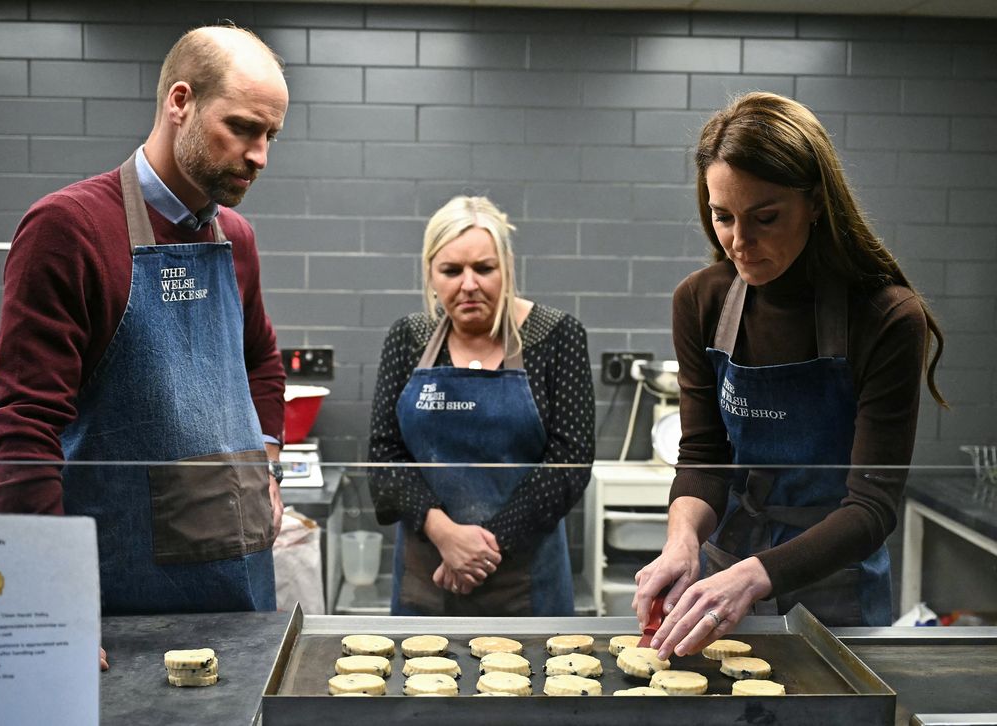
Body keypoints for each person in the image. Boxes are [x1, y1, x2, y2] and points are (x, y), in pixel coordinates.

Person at [0, 25, 289, 632]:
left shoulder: (238, 239)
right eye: (242, 128)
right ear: (181, 102)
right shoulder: (69, 229)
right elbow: (22, 427)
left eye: (270, 135)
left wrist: (268, 467)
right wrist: (51, 608)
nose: (259, 155)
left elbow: (262, 362)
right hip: (126, 598)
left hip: (241, 580)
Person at [633, 92, 946, 659]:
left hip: (834, 590)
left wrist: (755, 577)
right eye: (721, 216)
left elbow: (871, 508)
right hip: (722, 579)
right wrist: (681, 542)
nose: (739, 242)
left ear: (817, 203)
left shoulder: (884, 317)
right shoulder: (701, 302)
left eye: (765, 217)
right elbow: (704, 456)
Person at [368, 195, 595, 616]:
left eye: (484, 269)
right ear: (431, 274)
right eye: (451, 271)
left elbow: (569, 463)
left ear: (507, 267)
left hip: (526, 581)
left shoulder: (557, 335)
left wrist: (484, 547)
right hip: (429, 575)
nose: (468, 284)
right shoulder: (409, 337)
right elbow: (384, 460)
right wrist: (446, 535)